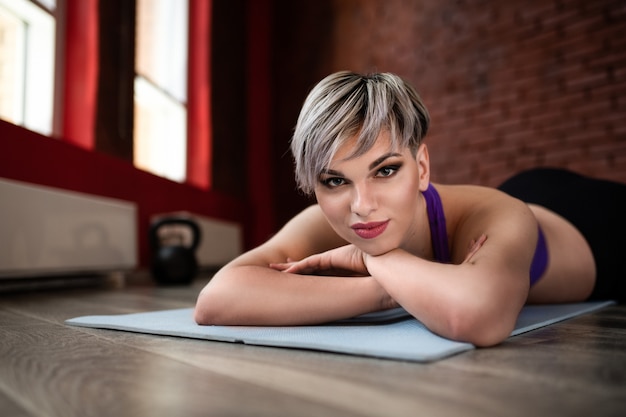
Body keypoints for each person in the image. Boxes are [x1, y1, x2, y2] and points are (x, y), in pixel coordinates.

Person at [194, 71, 626, 346]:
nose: (361, 206)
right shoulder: (328, 221)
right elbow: (216, 300)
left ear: (421, 168)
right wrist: (384, 286)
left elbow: (475, 316)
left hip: (598, 228)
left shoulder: (498, 215)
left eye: (385, 171)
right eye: (335, 180)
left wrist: (369, 261)